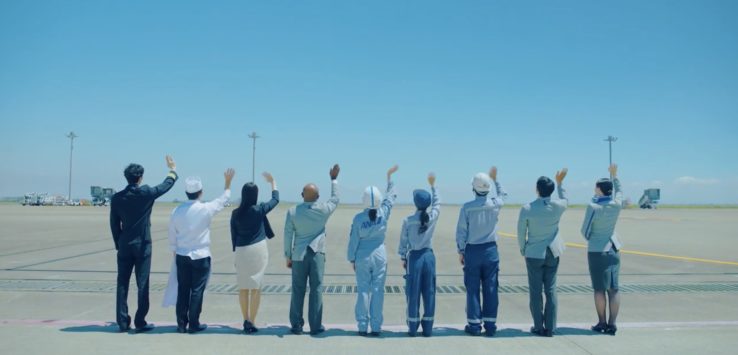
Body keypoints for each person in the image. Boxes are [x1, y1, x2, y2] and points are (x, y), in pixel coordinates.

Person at [110, 156, 178, 333]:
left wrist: (119, 243)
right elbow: (166, 185)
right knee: (142, 283)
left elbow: (114, 224)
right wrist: (173, 169)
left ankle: (122, 322)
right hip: (143, 245)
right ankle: (140, 321)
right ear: (140, 178)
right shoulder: (146, 193)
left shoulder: (117, 198)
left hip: (125, 245)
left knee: (122, 283)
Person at [168, 169, 234, 333]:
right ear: (201, 192)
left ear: (186, 193)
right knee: (197, 290)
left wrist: (174, 250)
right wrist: (227, 183)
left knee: (183, 289)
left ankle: (181, 324)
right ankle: (194, 323)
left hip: (182, 255)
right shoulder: (206, 208)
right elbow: (224, 199)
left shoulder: (176, 211)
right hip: (201, 255)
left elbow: (172, 234)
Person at [284, 164, 341, 335]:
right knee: (316, 290)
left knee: (297, 290)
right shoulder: (323, 209)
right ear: (318, 197)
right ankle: (315, 326)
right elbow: (335, 198)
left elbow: (288, 236)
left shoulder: (292, 211)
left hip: (299, 256)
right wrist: (334, 179)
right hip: (317, 254)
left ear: (302, 195)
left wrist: (288, 256)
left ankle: (296, 325)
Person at [347, 165, 399, 336]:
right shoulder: (383, 213)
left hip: (362, 256)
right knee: (378, 291)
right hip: (379, 256)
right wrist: (389, 177)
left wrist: (352, 259)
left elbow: (353, 241)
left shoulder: (358, 219)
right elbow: (390, 198)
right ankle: (376, 326)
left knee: (363, 290)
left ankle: (362, 325)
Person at [455, 166, 507, 337]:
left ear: (473, 188)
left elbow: (461, 232)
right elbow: (503, 195)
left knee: (472, 288)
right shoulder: (495, 205)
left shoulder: (467, 207)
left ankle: (474, 325)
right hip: (491, 250)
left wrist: (461, 250)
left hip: (473, 251)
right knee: (491, 287)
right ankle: (490, 326)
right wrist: (496, 179)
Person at [517, 168, 569, 337]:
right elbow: (565, 199)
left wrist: (523, 249)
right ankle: (551, 327)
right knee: (551, 290)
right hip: (553, 252)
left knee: (535, 291)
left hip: (534, 253)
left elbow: (521, 232)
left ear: (537, 189)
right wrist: (560, 183)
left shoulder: (527, 208)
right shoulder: (558, 206)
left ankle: (538, 326)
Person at [230, 172, 279, 334]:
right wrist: (273, 183)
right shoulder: (259, 210)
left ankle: (245, 319)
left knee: (243, 287)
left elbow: (233, 235)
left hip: (241, 250)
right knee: (256, 287)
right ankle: (252, 321)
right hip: (258, 249)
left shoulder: (235, 213)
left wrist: (236, 251)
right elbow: (275, 200)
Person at [581, 164, 624, 336]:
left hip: (597, 251)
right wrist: (615, 176)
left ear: (599, 189)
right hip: (613, 249)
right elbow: (619, 192)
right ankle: (612, 324)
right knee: (614, 289)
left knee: (599, 289)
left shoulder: (593, 206)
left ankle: (602, 322)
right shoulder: (616, 204)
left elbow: (584, 230)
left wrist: (593, 240)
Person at [398, 172, 440, 337]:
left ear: (415, 202)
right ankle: (428, 327)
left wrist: (403, 256)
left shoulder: (408, 220)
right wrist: (434, 186)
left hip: (414, 257)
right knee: (429, 292)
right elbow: (438, 204)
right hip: (429, 257)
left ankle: (413, 326)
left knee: (413, 292)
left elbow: (403, 242)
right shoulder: (432, 217)